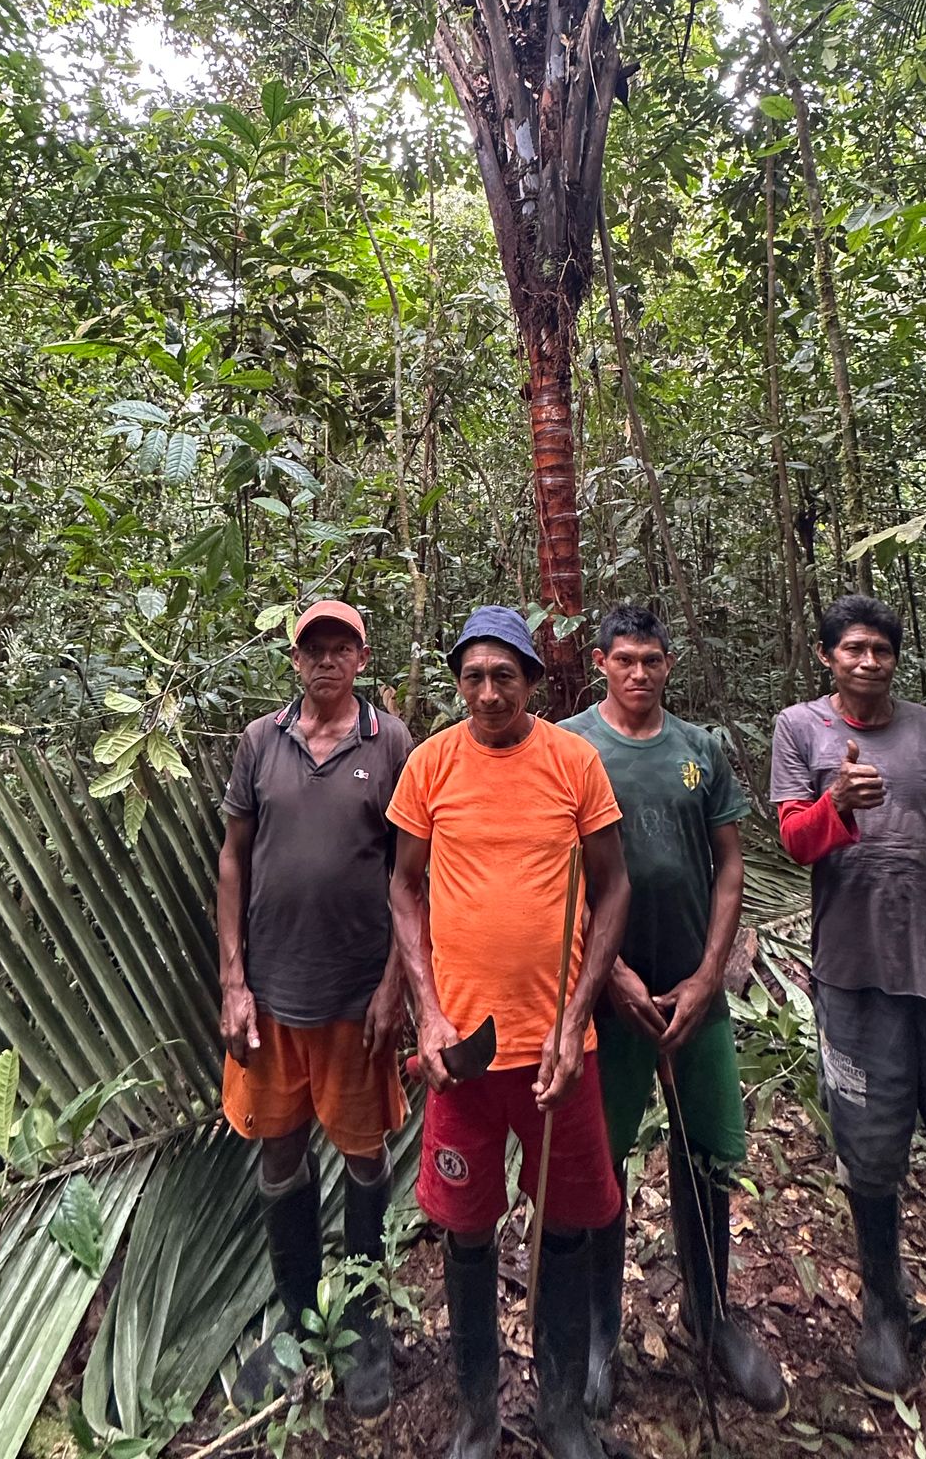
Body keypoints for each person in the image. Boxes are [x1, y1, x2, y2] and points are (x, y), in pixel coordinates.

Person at [388, 606, 631, 1459]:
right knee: (466, 1226)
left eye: (504, 676)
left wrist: (576, 1016)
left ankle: (562, 1413)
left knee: (568, 1219)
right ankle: (478, 1413)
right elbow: (403, 887)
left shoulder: (573, 763)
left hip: (560, 1051)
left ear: (531, 680)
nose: (488, 693)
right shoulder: (430, 764)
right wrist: (427, 1009)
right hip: (463, 1053)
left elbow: (613, 886)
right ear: (459, 682)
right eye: (474, 677)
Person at [770, 593, 926, 1397]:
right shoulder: (800, 730)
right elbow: (795, 841)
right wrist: (836, 805)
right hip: (854, 973)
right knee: (870, 1144)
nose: (868, 661)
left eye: (881, 649)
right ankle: (884, 1306)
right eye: (853, 648)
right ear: (826, 656)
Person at [560, 604, 787, 1419]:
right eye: (624, 659)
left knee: (706, 1155)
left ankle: (711, 1313)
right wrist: (610, 974)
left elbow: (730, 866)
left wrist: (708, 975)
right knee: (602, 1163)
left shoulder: (700, 750)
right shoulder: (570, 746)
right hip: (607, 997)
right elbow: (560, 874)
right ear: (600, 663)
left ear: (668, 664)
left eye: (652, 660)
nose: (639, 673)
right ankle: (598, 1332)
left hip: (695, 990)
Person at [218, 599, 413, 1418]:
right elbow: (233, 860)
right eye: (312, 648)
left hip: (354, 997)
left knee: (364, 1153)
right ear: (294, 660)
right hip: (271, 997)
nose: (326, 660)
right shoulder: (259, 743)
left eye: (341, 648)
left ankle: (364, 1322)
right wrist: (233, 981)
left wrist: (397, 985)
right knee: (278, 1151)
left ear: (362, 658)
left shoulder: (391, 743)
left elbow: (411, 875)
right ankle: (299, 1320)